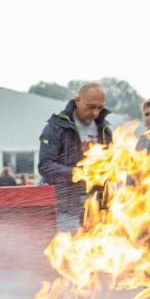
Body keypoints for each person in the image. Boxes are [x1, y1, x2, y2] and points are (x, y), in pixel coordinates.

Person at [38, 82, 112, 231]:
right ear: (77, 101)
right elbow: (45, 166)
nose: (96, 113)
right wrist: (77, 173)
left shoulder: (105, 129)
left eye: (99, 108)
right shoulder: (56, 127)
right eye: (91, 107)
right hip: (67, 209)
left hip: (98, 208)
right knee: (70, 251)